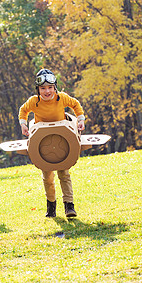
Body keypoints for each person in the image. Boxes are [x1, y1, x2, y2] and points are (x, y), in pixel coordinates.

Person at [18, 69, 86, 218]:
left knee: (64, 174)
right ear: (38, 90)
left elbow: (75, 104)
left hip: (62, 141)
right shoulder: (34, 101)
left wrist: (80, 120)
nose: (47, 91)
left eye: (50, 87)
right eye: (43, 88)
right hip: (43, 144)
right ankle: (51, 207)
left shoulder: (62, 98)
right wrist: (23, 125)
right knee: (47, 177)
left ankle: (69, 206)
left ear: (55, 87)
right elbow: (23, 110)